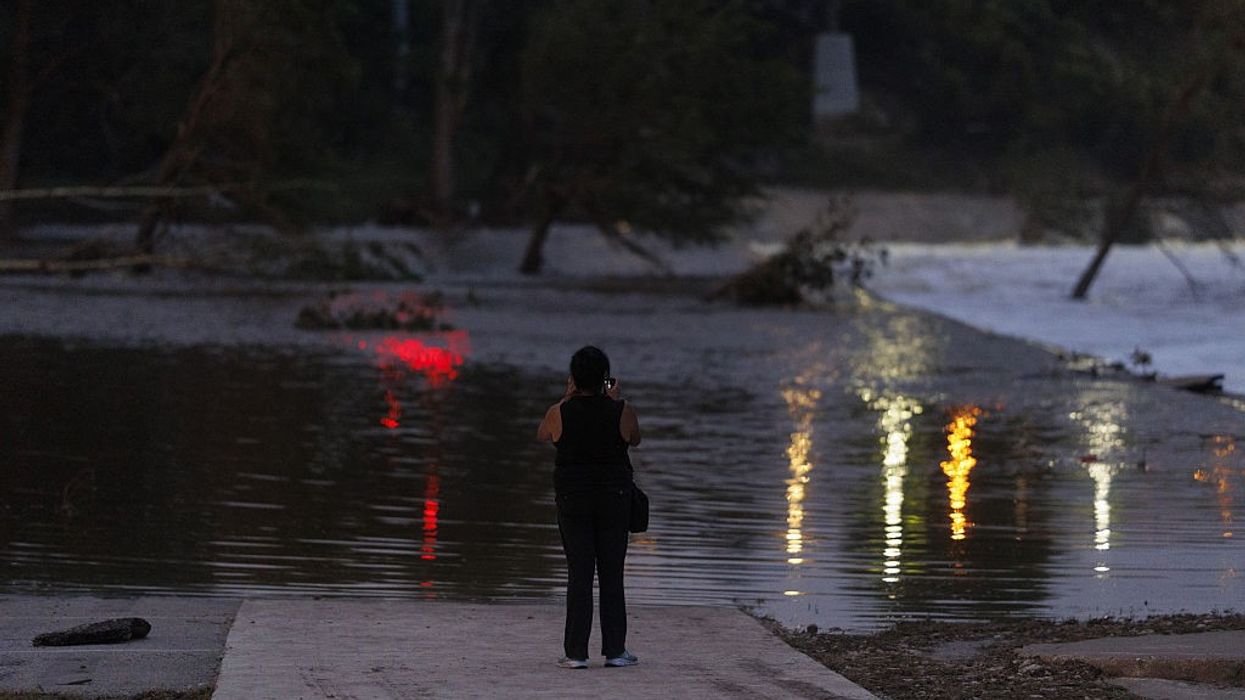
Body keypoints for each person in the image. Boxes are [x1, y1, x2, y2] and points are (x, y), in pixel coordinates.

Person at [536, 345, 642, 669]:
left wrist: (566, 400)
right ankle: (615, 651)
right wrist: (612, 402)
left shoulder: (560, 412)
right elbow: (635, 439)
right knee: (612, 574)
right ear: (605, 378)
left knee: (579, 574)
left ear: (573, 378)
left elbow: (543, 435)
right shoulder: (622, 410)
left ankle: (576, 654)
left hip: (573, 502)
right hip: (613, 502)